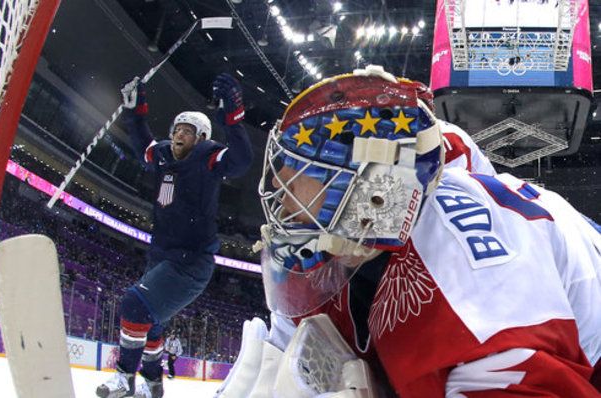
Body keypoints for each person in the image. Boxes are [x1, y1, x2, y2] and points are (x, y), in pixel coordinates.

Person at [257, 65, 600, 396]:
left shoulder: (464, 282)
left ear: (368, 194)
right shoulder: (375, 225)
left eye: (302, 167)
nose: (277, 180)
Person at [96, 72, 253, 398]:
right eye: (177, 129)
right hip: (162, 253)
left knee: (134, 304)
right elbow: (142, 144)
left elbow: (241, 161)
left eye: (188, 131)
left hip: (191, 261)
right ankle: (153, 383)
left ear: (202, 137)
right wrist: (135, 112)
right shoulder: (165, 154)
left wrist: (233, 119)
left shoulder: (207, 157)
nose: (179, 134)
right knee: (152, 325)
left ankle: (125, 376)